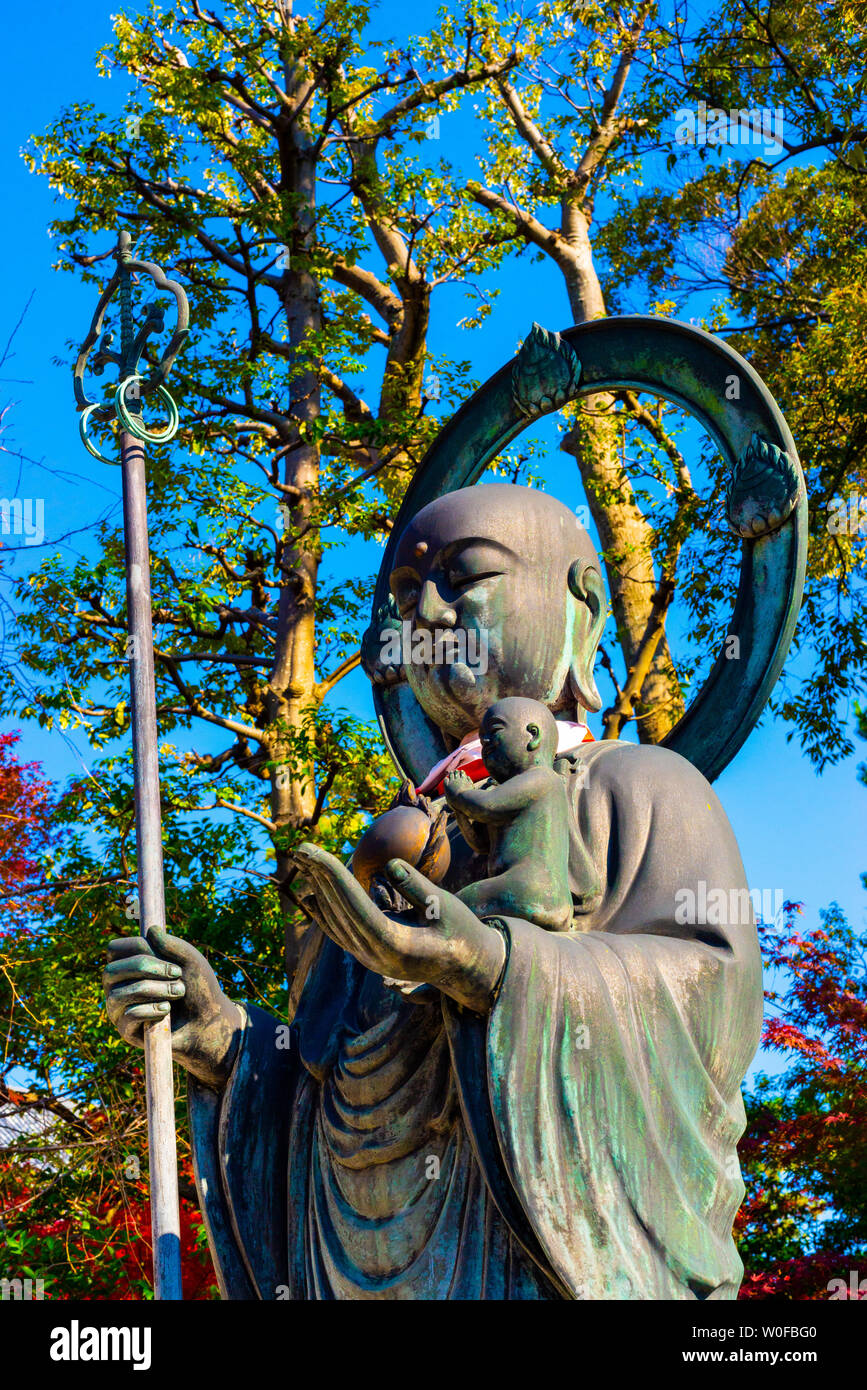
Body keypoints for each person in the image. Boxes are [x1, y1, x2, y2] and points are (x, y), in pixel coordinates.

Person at [103, 483, 762, 1300]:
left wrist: (489, 967)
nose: (430, 613)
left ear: (584, 608)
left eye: (465, 576)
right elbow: (328, 1086)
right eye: (408, 595)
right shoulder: (390, 849)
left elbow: (712, 1005)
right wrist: (224, 1045)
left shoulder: (636, 786)